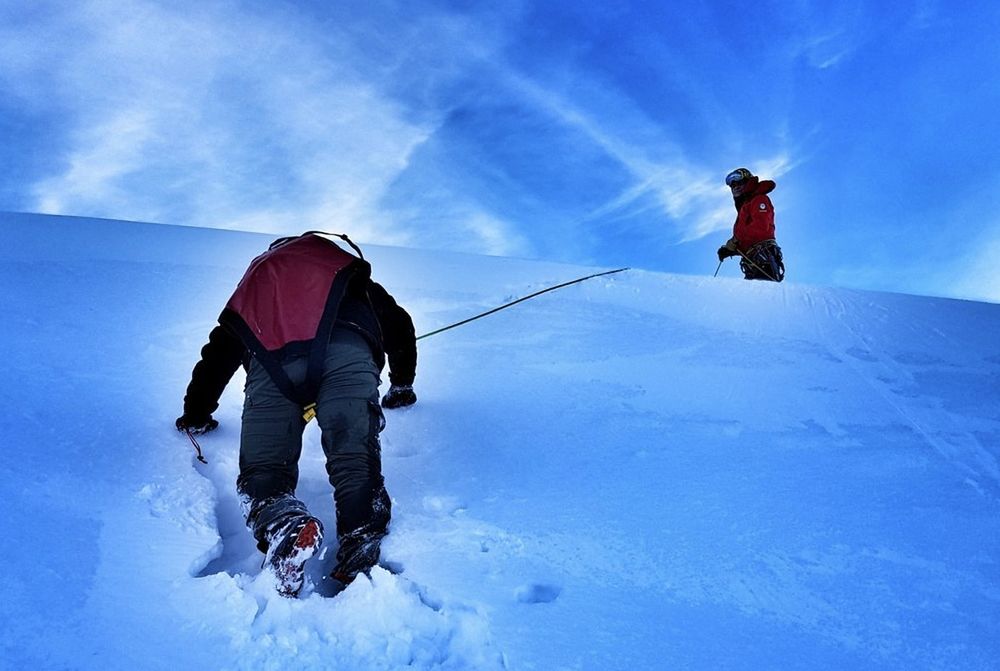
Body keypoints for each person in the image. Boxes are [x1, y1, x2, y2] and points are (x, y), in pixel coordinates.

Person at [175, 231, 417, 597]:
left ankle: (284, 524)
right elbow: (398, 325)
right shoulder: (344, 271)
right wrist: (401, 384)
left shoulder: (259, 281)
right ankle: (359, 546)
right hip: (347, 354)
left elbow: (219, 352)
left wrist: (196, 412)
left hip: (271, 366)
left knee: (263, 471)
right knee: (353, 458)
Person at [717, 167, 785, 282]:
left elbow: (761, 228)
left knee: (764, 296)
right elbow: (748, 238)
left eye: (739, 182)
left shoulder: (759, 199)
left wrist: (735, 241)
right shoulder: (745, 207)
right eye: (732, 185)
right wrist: (730, 249)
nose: (735, 187)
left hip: (764, 259)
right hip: (752, 263)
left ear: (748, 182)